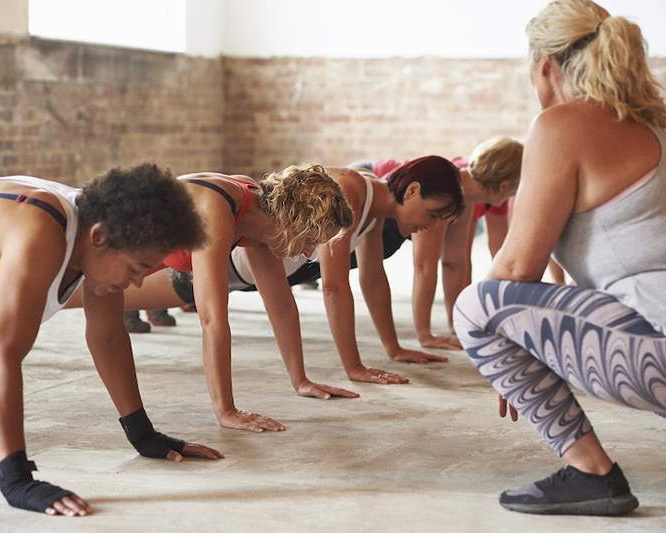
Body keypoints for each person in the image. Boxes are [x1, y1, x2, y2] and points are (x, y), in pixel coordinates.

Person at [0, 164, 224, 516]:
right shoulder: (37, 225)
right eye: (136, 268)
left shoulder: (95, 238)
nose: (139, 283)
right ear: (100, 236)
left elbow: (108, 336)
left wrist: (143, 435)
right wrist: (16, 479)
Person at [453, 0, 666, 516]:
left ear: (543, 64)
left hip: (657, 352)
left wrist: (506, 357)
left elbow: (513, 270)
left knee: (476, 306)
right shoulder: (657, 123)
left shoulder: (562, 125)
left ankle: (591, 473)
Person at [69, 164, 358, 433]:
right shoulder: (220, 209)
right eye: (310, 241)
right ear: (293, 221)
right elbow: (211, 318)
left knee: (70, 300)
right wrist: (226, 411)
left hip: (132, 263)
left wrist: (301, 381)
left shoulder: (257, 215)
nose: (308, 254)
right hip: (90, 242)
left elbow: (281, 305)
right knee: (60, 301)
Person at [233, 157, 466, 384]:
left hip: (249, 276)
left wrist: (394, 348)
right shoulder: (349, 189)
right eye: (432, 214)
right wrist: (355, 368)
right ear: (412, 191)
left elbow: (373, 279)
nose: (431, 226)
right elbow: (333, 287)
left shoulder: (375, 204)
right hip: (231, 262)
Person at [374, 139, 522, 351]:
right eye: (514, 192)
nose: (512, 197)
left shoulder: (466, 198)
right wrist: (424, 334)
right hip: (368, 179)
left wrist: (458, 324)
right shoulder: (445, 191)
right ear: (504, 186)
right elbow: (423, 266)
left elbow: (455, 262)